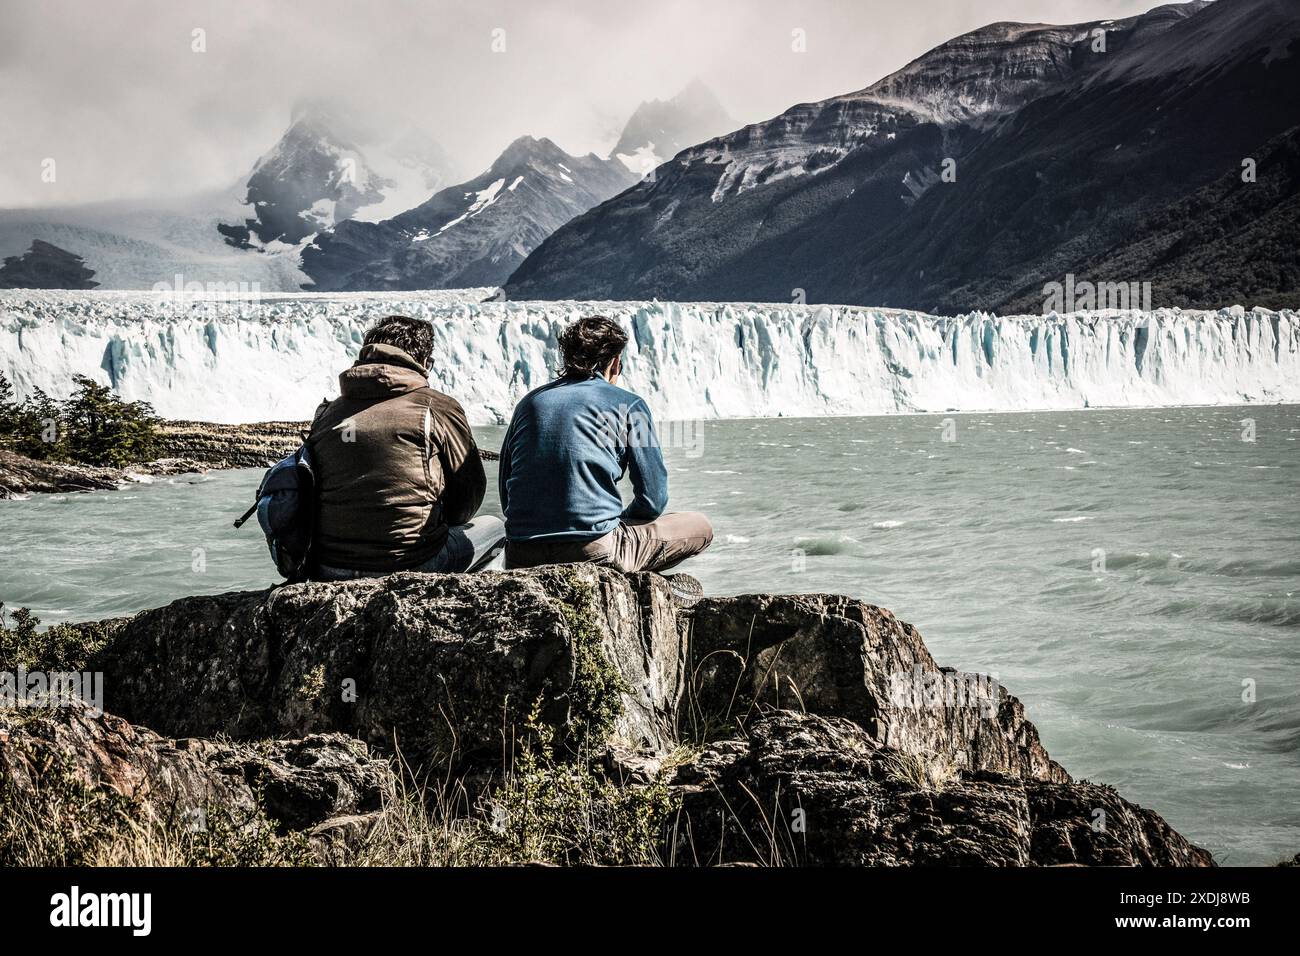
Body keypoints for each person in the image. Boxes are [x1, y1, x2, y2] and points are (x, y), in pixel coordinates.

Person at [498, 315, 713, 578]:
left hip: (521, 552)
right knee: (700, 527)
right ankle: (644, 585)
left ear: (567, 359)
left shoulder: (529, 403)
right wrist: (616, 521)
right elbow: (653, 499)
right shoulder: (630, 405)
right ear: (614, 361)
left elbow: (506, 490)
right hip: (592, 550)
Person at [309, 315, 504, 580]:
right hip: (413, 562)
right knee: (497, 529)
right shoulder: (436, 406)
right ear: (424, 362)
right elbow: (466, 501)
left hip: (329, 567)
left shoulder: (328, 414)